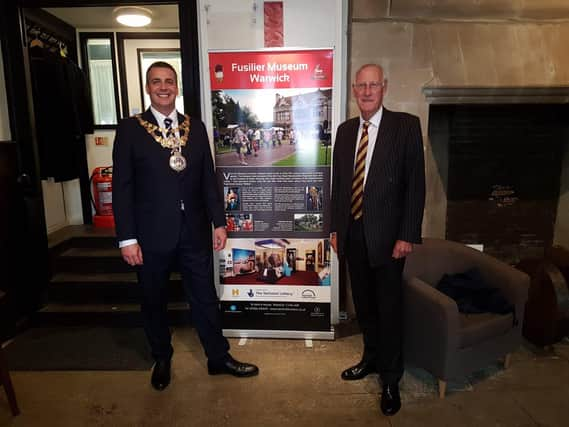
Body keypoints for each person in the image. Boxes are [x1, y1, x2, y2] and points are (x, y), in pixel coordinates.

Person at [112, 61, 259, 392]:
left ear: (176, 87)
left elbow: (208, 178)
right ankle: (161, 357)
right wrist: (127, 239)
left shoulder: (196, 126)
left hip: (193, 230)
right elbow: (122, 187)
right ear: (148, 88)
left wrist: (219, 222)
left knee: (205, 296)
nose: (163, 87)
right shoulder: (131, 129)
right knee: (153, 299)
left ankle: (218, 357)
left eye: (169, 81)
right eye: (156, 82)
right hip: (149, 235)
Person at [330, 64, 425, 416]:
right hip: (353, 234)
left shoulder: (405, 126)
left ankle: (390, 377)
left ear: (384, 87)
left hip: (389, 239)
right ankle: (369, 359)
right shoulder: (345, 131)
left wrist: (407, 235)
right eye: (361, 86)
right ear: (354, 90)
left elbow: (416, 185)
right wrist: (335, 229)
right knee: (364, 306)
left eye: (373, 85)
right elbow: (340, 185)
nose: (367, 91)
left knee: (389, 309)